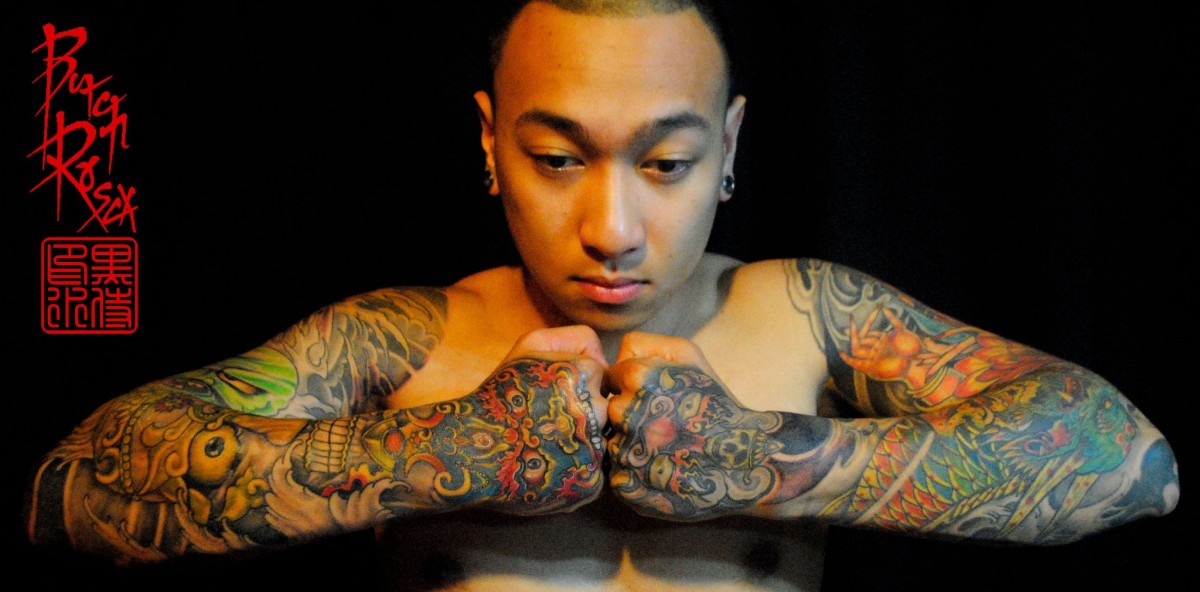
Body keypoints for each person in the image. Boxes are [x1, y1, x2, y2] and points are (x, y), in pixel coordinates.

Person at [21, 2, 1181, 590]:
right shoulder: (400, 339)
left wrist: (769, 463)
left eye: (667, 162)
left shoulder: (814, 316)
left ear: (731, 147)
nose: (613, 226)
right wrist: (439, 455)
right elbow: (70, 488)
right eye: (558, 157)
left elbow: (1132, 460)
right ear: (490, 144)